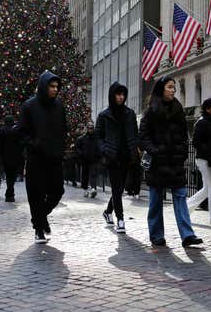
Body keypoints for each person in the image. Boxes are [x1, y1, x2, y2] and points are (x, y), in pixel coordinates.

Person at [140, 76, 203, 248]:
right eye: (169, 87)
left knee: (180, 196)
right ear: (162, 89)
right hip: (158, 163)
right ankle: (157, 235)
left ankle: (187, 235)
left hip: (175, 162)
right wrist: (155, 150)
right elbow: (143, 136)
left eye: (174, 87)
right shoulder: (151, 110)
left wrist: (181, 152)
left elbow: (184, 135)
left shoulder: (178, 108)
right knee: (155, 201)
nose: (173, 90)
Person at [19, 71, 68, 244]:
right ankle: (39, 229)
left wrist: (61, 147)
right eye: (52, 86)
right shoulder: (29, 106)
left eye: (57, 87)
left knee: (57, 191)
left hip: (54, 158)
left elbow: (64, 129)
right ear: (43, 86)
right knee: (36, 194)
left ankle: (39, 218)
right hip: (36, 159)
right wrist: (34, 144)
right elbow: (22, 132)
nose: (55, 90)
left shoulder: (60, 106)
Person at [95, 82, 140, 233]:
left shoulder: (130, 114)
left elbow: (135, 134)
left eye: (123, 95)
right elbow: (98, 137)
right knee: (116, 188)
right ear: (112, 95)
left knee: (119, 189)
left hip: (127, 156)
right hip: (112, 157)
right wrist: (104, 149)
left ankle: (108, 212)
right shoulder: (103, 115)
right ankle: (120, 219)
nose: (121, 97)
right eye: (118, 94)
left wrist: (135, 150)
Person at [0, 115, 24, 202]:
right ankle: (10, 192)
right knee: (13, 175)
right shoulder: (17, 131)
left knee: (9, 175)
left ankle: (9, 193)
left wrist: (0, 156)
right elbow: (21, 144)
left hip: (6, 157)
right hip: (16, 157)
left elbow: (0, 145)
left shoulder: (3, 131)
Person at [75, 121, 101, 198]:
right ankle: (85, 190)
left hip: (94, 160)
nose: (90, 129)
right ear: (87, 129)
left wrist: (99, 155)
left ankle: (93, 189)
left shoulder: (96, 138)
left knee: (93, 174)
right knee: (85, 175)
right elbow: (77, 147)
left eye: (92, 128)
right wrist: (81, 153)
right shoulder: (81, 138)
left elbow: (99, 147)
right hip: (85, 160)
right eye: (89, 128)